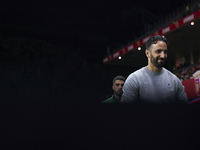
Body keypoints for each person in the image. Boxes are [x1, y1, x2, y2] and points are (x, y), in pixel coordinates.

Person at [121, 35, 188, 104]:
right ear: (147, 53)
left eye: (165, 52)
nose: (163, 55)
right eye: (158, 51)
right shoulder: (134, 79)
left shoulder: (175, 81)